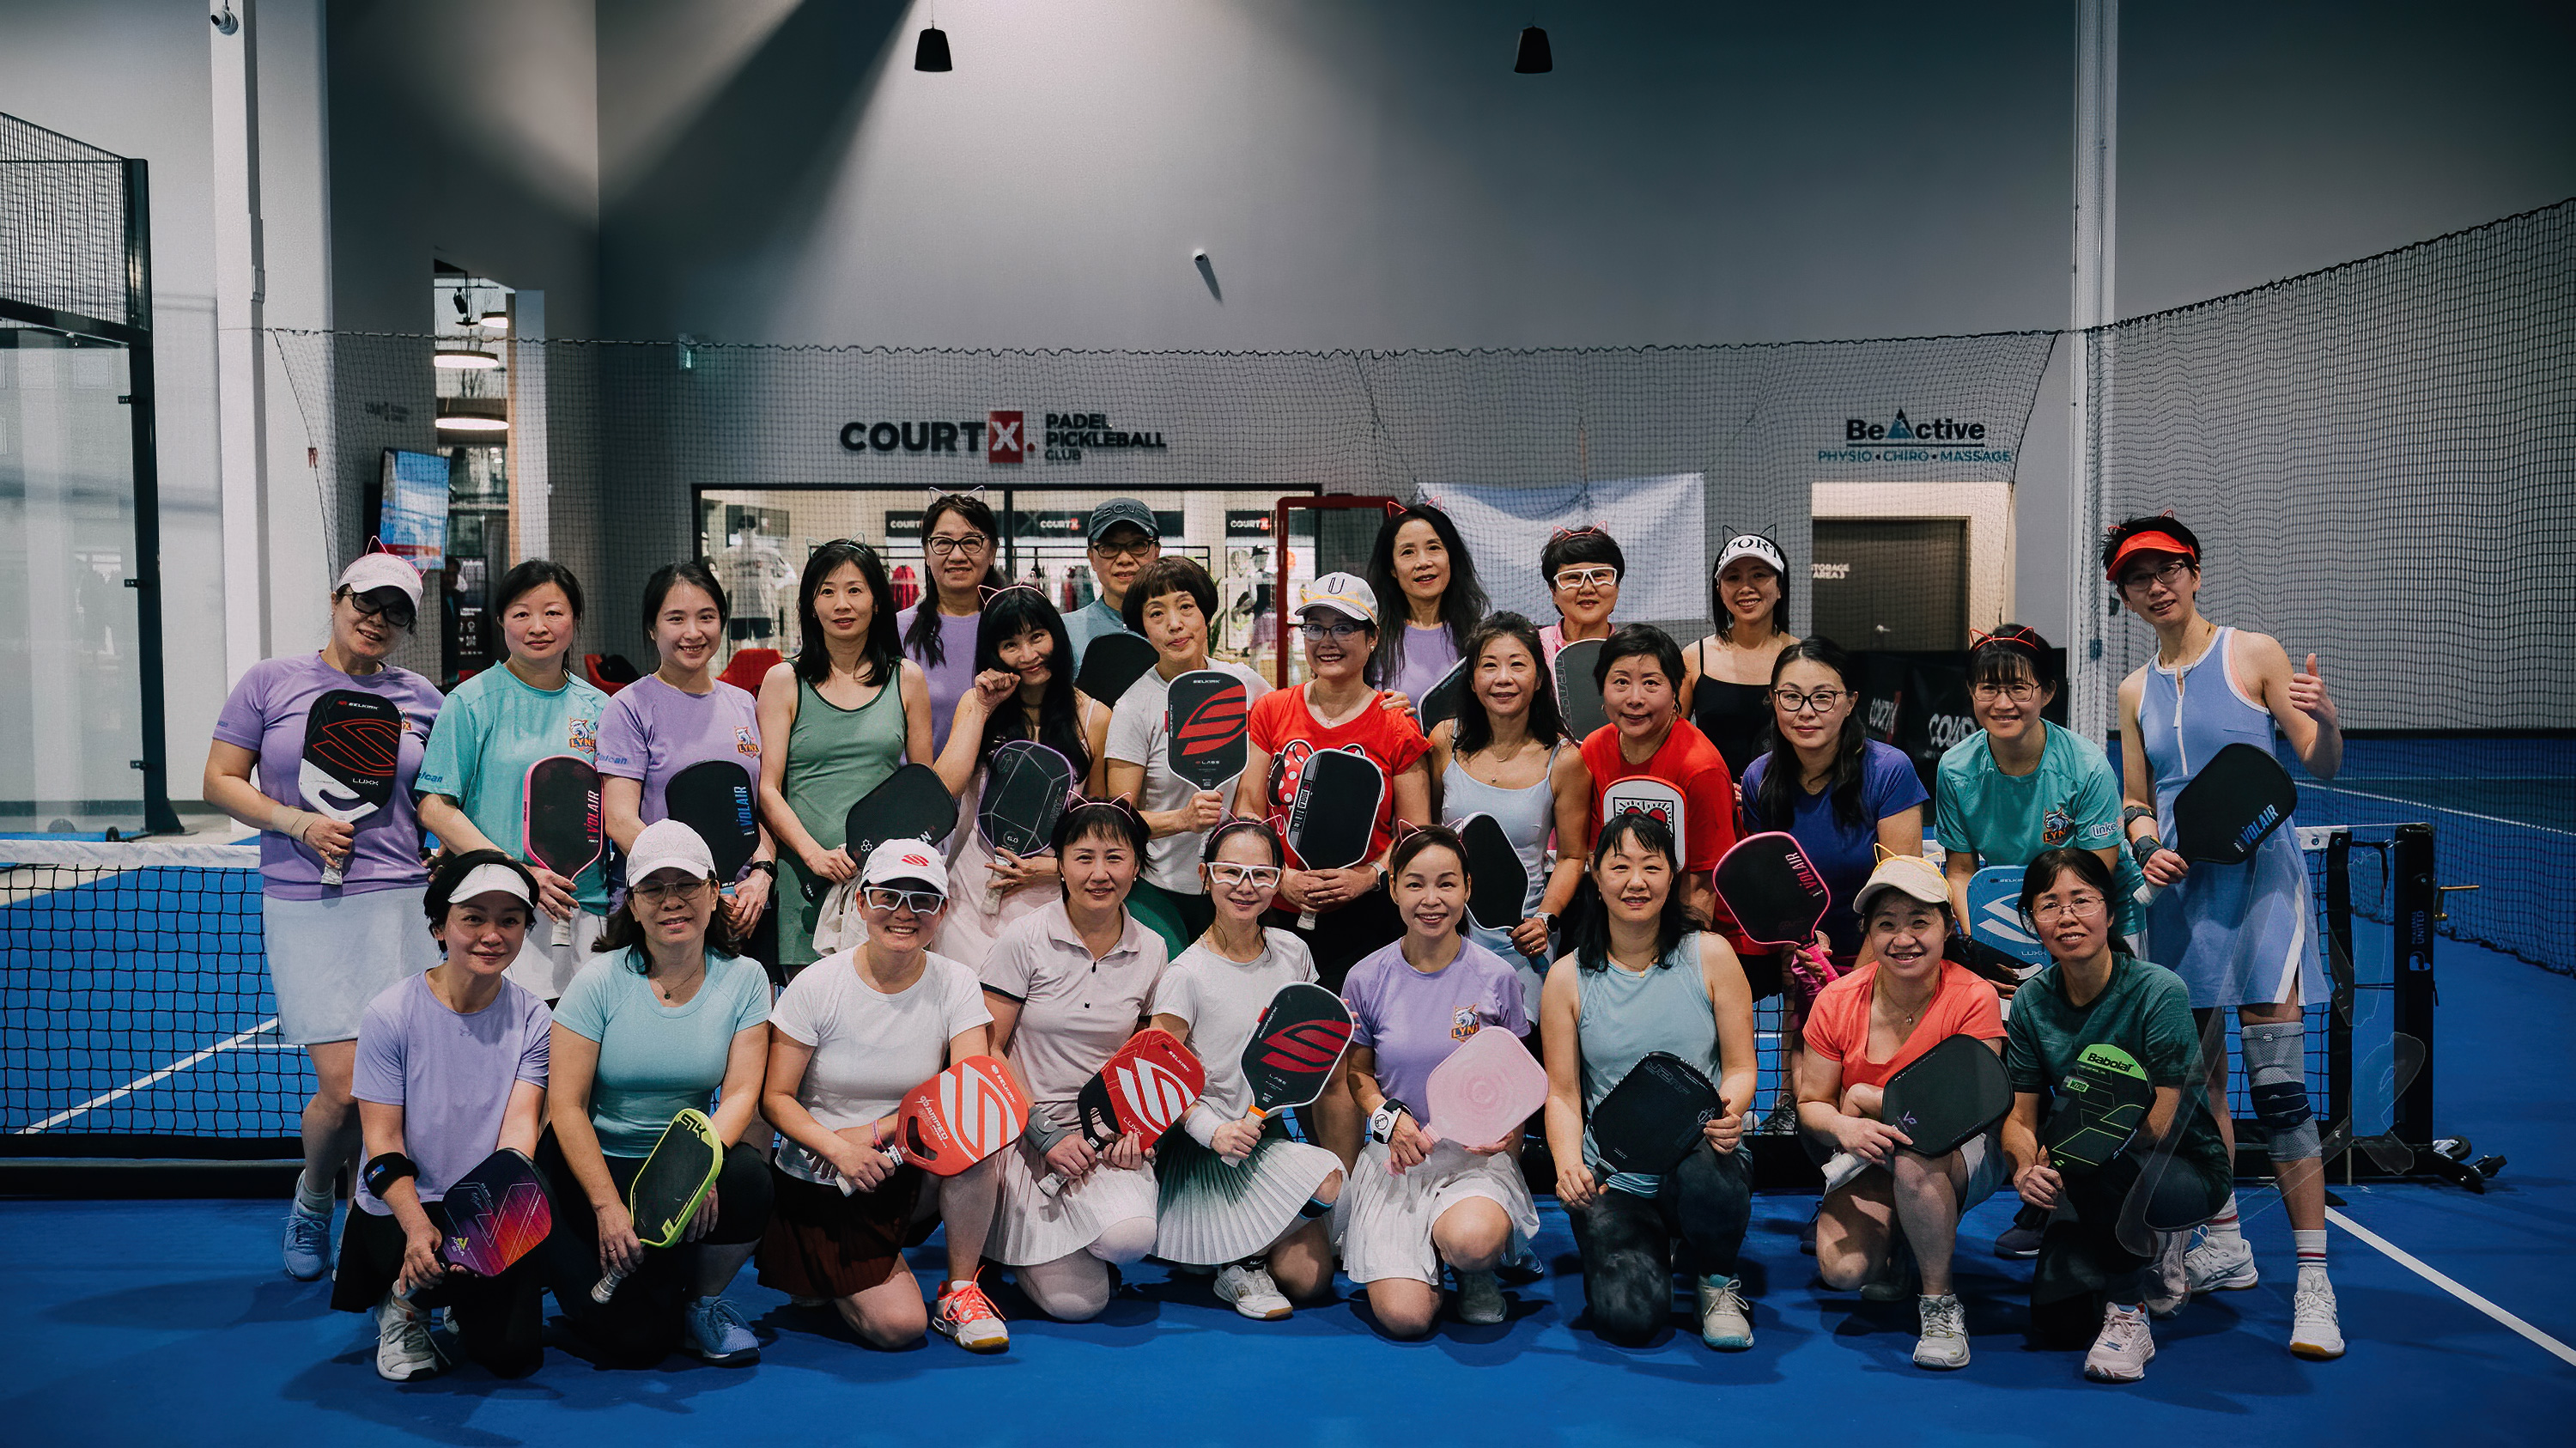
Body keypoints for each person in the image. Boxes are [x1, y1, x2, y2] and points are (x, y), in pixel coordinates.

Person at [2105, 514, 2345, 1358]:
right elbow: (2137, 798)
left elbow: (2316, 761)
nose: (2156, 585)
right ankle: (2227, 1242)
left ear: (2195, 572)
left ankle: (2314, 1283)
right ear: (2125, 597)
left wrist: (2327, 721)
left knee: (2279, 1093)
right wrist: (2145, 845)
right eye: (2138, 578)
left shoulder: (2255, 654)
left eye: (2168, 569)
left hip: (2261, 894)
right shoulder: (2132, 691)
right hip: (2180, 902)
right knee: (2199, 1089)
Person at [204, 549, 446, 1282]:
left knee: (400, 1089)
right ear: (338, 598)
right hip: (308, 904)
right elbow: (219, 779)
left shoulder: (422, 698)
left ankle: (376, 1232)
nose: (377, 620)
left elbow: (436, 796)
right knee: (344, 1091)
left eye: (395, 612)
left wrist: (443, 849)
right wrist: (294, 822)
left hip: (403, 902)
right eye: (366, 602)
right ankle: (313, 1196)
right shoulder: (270, 682)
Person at [757, 838, 1011, 1354]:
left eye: (923, 900)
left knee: (979, 1148)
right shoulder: (816, 984)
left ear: (942, 911)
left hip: (904, 1166)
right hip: (826, 1174)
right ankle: (817, 1267)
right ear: (861, 902)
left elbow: (968, 1091)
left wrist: (874, 1133)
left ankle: (960, 1291)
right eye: (889, 896)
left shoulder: (958, 982)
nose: (905, 913)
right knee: (899, 1327)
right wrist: (839, 1147)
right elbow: (775, 1098)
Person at [538, 820, 774, 1367]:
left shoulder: (746, 979)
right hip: (589, 1168)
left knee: (748, 1178)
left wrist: (697, 1169)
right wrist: (606, 1207)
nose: (672, 901)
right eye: (653, 889)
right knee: (635, 1344)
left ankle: (702, 1303)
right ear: (633, 904)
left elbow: (742, 1093)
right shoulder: (597, 980)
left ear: (714, 894)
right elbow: (565, 1107)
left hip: (674, 1164)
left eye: (686, 884)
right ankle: (556, 1268)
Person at [2001, 848, 2232, 1384]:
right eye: (2049, 905)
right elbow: (2020, 1117)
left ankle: (2130, 1310)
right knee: (2058, 1323)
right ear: (2032, 920)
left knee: (2102, 1163)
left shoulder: (2159, 991)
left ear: (2109, 910)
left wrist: (2072, 1154)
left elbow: (2160, 1124)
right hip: (2086, 1165)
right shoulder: (2032, 1002)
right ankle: (2124, 1254)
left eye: (2082, 901)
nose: (2067, 917)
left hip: (2181, 1165)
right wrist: (2025, 1167)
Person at [1540, 812, 1759, 1349]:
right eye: (1620, 867)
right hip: (1615, 1178)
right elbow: (1563, 1094)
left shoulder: (1711, 955)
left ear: (1672, 875)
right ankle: (1654, 1247)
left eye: (1651, 867)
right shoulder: (1566, 977)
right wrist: (1569, 1167)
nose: (1636, 882)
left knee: (1710, 1172)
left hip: (1700, 1156)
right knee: (1629, 1320)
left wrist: (1728, 1114)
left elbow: (1740, 1068)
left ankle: (1715, 1279)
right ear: (1596, 876)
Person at [331, 850, 551, 1382]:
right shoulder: (390, 1013)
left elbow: (518, 1137)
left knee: (512, 1357)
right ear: (438, 927)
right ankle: (401, 1303)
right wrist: (417, 1229)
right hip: (402, 1205)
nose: (491, 935)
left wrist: (483, 1230)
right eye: (473, 918)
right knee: (419, 1253)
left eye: (509, 921)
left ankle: (459, 1298)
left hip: (481, 1202)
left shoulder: (534, 1017)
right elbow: (381, 1142)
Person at [1236, 572, 1433, 1161]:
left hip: (1365, 921)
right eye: (1316, 627)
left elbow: (1416, 833)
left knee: (1345, 1054)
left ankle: (1341, 1194)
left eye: (1345, 628)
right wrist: (1280, 878)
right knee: (1277, 1048)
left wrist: (1368, 876)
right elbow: (1248, 808)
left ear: (1372, 640)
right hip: (1279, 911)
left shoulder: (1396, 724)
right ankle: (1276, 1182)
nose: (1328, 640)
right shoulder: (1272, 710)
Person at [1797, 855, 2008, 1371]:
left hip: (1960, 1148)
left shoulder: (1975, 996)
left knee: (1917, 1158)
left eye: (1920, 922)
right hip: (1872, 1149)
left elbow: (1965, 1111)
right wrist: (1843, 1122)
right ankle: (1906, 1246)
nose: (1903, 938)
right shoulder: (1837, 1000)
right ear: (1868, 933)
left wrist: (1866, 1098)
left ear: (1947, 928)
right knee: (1844, 1272)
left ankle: (1940, 1303)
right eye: (1887, 924)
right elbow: (1811, 1104)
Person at [1338, 826, 1539, 1338]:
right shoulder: (1365, 978)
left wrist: (1507, 1136)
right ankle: (1429, 1251)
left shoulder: (1498, 977)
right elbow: (1358, 1075)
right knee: (1405, 1319)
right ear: (1393, 889)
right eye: (1415, 884)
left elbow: (1516, 1080)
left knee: (1472, 1243)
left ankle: (1474, 1265)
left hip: (1473, 1163)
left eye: (1447, 884)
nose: (1432, 900)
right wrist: (1388, 1119)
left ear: (1468, 888)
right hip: (1398, 1158)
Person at [1148, 820, 1346, 1320]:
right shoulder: (1184, 975)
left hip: (1267, 1140)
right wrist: (1211, 1130)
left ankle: (1227, 1251)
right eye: (1230, 871)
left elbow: (1312, 1044)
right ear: (1205, 876)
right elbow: (1156, 1075)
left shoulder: (1294, 953)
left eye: (1261, 874)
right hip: (1202, 1149)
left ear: (1278, 881)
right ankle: (1235, 1260)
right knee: (1325, 1182)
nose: (1245, 885)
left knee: (1310, 1281)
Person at [980, 803, 1169, 1322]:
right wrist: (1042, 1134)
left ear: (1137, 867)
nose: (1099, 873)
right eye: (1083, 857)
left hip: (1101, 1139)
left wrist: (1137, 1131)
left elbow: (1144, 1059)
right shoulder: (1023, 937)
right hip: (1022, 1131)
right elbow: (987, 1049)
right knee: (1078, 1307)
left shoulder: (1153, 949)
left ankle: (1080, 1239)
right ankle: (1008, 1248)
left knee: (1130, 1239)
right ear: (1060, 865)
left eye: (1115, 857)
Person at [416, 559, 611, 1001]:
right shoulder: (470, 702)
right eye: (522, 613)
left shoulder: (601, 708)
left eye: (553, 612)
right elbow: (434, 806)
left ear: (575, 619)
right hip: (496, 910)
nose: (538, 626)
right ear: (502, 621)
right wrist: (517, 872)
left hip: (584, 906)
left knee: (580, 1042)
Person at [756, 540, 932, 977]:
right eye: (827, 591)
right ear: (811, 605)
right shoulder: (783, 680)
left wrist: (888, 864)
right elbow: (768, 789)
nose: (842, 604)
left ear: (877, 601)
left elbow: (921, 789)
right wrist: (814, 855)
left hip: (885, 888)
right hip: (805, 884)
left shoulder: (907, 679)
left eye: (855, 590)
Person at [598, 562, 780, 969]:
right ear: (652, 628)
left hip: (745, 909)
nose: (693, 632)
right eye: (676, 619)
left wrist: (762, 875)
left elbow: (754, 808)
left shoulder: (744, 704)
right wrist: (699, 888)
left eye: (706, 617)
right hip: (665, 910)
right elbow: (621, 821)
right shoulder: (628, 707)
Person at [931, 584, 1117, 968]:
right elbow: (945, 787)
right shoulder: (976, 703)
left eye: (1037, 637)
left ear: (1056, 637)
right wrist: (983, 708)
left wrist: (1054, 869)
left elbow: (1095, 822)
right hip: (969, 892)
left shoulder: (1095, 716)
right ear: (993, 653)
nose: (1028, 655)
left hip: (1048, 895)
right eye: (1011, 644)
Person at [1103, 557, 1271, 955]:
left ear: (1205, 615)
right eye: (1156, 613)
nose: (1174, 624)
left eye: (1186, 606)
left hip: (1238, 887)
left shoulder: (1246, 685)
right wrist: (1182, 819)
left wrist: (1382, 703)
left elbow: (1300, 716)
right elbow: (1117, 820)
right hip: (1161, 891)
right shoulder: (1133, 707)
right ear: (1143, 627)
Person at [1426, 612, 1589, 1009]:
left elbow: (1572, 857)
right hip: (1444, 931)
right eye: (1489, 665)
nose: (1503, 678)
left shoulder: (1565, 759)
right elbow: (1427, 834)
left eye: (1517, 665)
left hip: (1523, 941)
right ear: (1471, 679)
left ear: (1539, 678)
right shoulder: (1444, 740)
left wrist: (1544, 920)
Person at [1741, 638, 1928, 965]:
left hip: (1886, 958)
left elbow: (1901, 896)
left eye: (1823, 697)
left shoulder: (1889, 771)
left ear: (1850, 702)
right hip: (1803, 961)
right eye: (1791, 697)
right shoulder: (1758, 779)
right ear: (1773, 699)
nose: (1806, 712)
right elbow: (1769, 892)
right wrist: (1798, 949)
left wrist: (1852, 983)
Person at [1577, 624, 1742, 928]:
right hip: (1627, 922)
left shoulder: (1701, 767)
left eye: (1651, 683)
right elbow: (1595, 854)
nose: (1635, 698)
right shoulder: (1593, 749)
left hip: (1703, 926)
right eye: (1621, 682)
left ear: (1676, 690)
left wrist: (1681, 952)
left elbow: (1703, 884)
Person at [1683, 533, 1799, 780]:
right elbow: (1671, 738)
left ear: (1780, 587)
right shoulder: (1694, 657)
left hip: (1786, 799)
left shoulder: (1803, 658)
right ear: (1719, 590)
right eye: (1733, 578)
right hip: (1714, 798)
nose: (1746, 588)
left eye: (1759, 575)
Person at [899, 492, 1006, 751]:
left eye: (971, 542)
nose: (957, 556)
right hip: (920, 776)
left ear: (992, 552)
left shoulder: (1015, 628)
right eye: (943, 543)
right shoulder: (897, 630)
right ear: (927, 553)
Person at [1363, 502, 1490, 709]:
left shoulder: (1480, 637)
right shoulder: (1371, 640)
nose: (1423, 562)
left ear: (1451, 557)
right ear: (1392, 568)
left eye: (1433, 548)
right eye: (1408, 552)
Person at [1061, 497, 1161, 660]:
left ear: (1156, 553)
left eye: (1138, 545)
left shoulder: (1180, 629)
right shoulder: (1065, 632)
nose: (1124, 559)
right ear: (1092, 558)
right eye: (1109, 547)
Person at [1536, 526, 1623, 664]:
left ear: (1617, 586)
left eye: (1599, 575)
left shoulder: (1635, 652)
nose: (1587, 589)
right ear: (1553, 591)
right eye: (1573, 577)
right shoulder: (1532, 648)